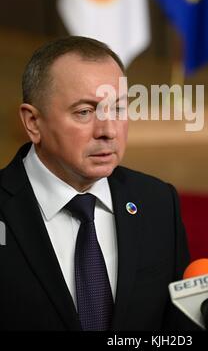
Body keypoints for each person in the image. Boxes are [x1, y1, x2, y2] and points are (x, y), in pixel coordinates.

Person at [0, 36, 193, 331]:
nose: (108, 131)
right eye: (84, 112)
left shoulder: (159, 202)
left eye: (117, 109)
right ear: (33, 123)